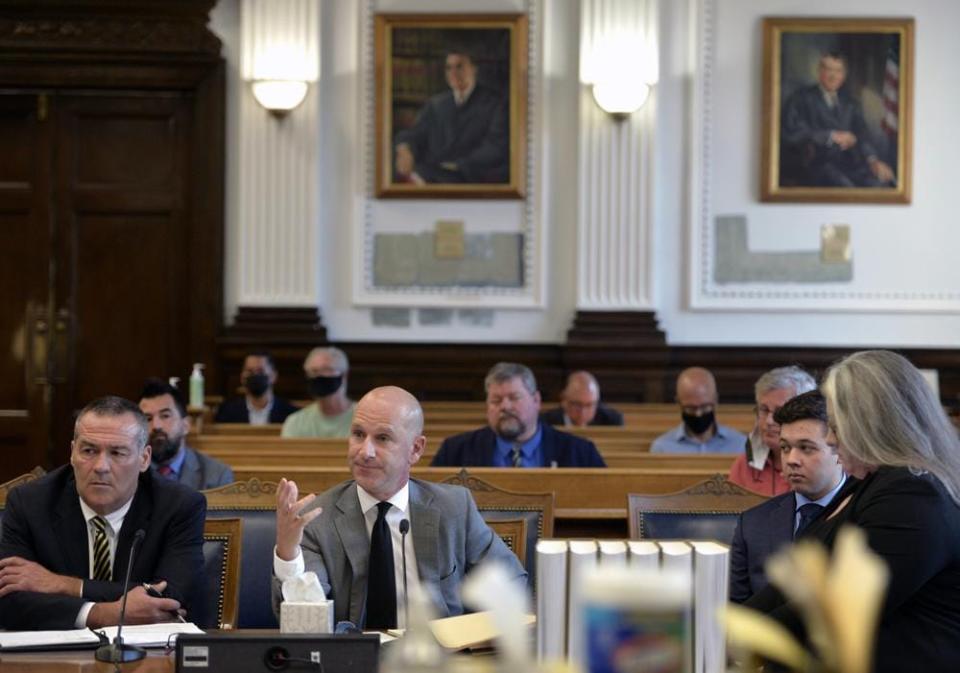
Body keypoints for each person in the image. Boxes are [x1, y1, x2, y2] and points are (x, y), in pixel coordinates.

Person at [746, 351, 960, 673]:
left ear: (871, 425)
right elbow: (796, 583)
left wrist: (744, 639)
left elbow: (837, 605)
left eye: (836, 426)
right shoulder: (871, 481)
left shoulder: (914, 493)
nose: (830, 439)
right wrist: (730, 625)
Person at [271, 386, 526, 628]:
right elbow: (305, 621)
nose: (365, 451)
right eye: (358, 434)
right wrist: (289, 553)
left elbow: (511, 585)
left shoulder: (455, 508)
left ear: (415, 450)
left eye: (382, 438)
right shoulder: (316, 518)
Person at [0, 396, 205, 630]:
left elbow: (171, 597)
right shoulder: (29, 503)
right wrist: (102, 614)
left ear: (144, 458)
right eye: (89, 450)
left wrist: (64, 586)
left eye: (117, 453)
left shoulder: (179, 506)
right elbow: (8, 600)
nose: (101, 467)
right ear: (72, 452)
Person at [729, 390, 845, 603]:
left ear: (840, 451)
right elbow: (736, 614)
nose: (791, 459)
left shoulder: (867, 514)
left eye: (806, 448)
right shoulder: (753, 524)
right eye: (785, 448)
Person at [431, 362, 605, 468]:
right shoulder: (455, 451)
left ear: (536, 400)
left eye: (514, 398)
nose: (505, 406)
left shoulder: (581, 453)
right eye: (496, 400)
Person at [781, 51, 895, 188]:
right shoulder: (801, 98)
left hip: (852, 164)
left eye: (838, 71)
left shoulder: (850, 102)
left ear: (844, 75)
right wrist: (830, 136)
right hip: (816, 165)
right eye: (829, 69)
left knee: (882, 185)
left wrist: (873, 160)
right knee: (848, 190)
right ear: (819, 72)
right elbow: (790, 133)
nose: (833, 76)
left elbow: (862, 134)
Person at [393, 48, 508, 184]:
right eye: (449, 68)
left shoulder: (494, 103)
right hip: (431, 174)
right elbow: (416, 133)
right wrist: (404, 148)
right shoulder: (436, 104)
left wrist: (458, 165)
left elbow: (496, 147)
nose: (453, 73)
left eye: (459, 66)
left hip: (472, 176)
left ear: (474, 69)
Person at [728, 366, 817, 496]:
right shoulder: (744, 466)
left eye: (779, 411)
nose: (769, 421)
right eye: (764, 410)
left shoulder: (820, 463)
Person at [139, 378, 234, 490]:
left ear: (186, 425)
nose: (156, 426)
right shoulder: (129, 471)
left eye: (165, 416)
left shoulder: (216, 476)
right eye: (148, 418)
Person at [650, 367, 746, 453]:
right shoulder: (662, 448)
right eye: (690, 408)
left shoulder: (741, 445)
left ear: (715, 400)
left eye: (705, 407)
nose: (698, 414)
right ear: (678, 403)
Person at [281, 347, 355, 438]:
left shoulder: (365, 419)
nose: (320, 376)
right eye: (314, 371)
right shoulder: (295, 422)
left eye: (327, 369)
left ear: (344, 375)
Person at [214, 352, 299, 425]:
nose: (255, 375)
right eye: (250, 371)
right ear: (242, 377)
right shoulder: (226, 413)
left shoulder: (291, 414)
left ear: (273, 376)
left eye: (260, 371)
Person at [540, 371, 624, 427]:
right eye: (577, 404)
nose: (583, 412)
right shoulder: (544, 423)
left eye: (589, 405)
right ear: (563, 400)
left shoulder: (612, 421)